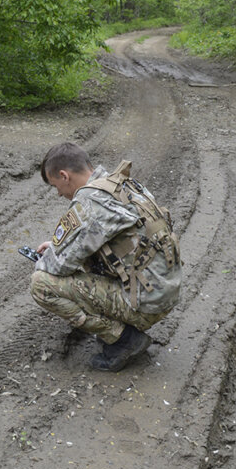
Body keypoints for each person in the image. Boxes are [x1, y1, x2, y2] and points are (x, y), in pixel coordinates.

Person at [29, 143, 182, 372]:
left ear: (64, 175)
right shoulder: (121, 184)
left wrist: (47, 258)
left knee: (41, 284)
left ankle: (124, 339)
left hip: (146, 303)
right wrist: (57, 246)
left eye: (56, 186)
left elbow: (57, 267)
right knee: (85, 264)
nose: (59, 193)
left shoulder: (91, 201)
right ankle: (124, 328)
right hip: (164, 290)